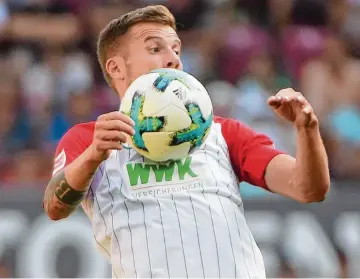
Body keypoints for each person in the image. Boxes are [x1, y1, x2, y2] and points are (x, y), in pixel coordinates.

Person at [42, 5, 330, 278]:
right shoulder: (91, 139)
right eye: (155, 48)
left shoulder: (223, 133)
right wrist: (93, 155)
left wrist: (307, 129)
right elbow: (55, 206)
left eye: (176, 49)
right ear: (116, 68)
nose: (174, 59)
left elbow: (308, 189)